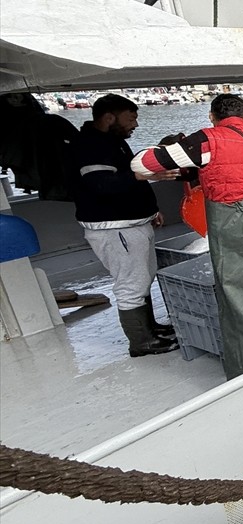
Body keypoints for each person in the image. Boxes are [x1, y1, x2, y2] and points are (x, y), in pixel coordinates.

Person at [132, 94, 243, 379]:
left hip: (240, 222)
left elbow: (142, 164)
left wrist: (169, 162)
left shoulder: (207, 140)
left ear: (212, 117)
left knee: (241, 299)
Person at [68, 94, 178, 358]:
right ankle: (141, 342)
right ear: (109, 117)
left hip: (133, 222)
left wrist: (150, 210)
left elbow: (126, 178)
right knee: (131, 283)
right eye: (131, 118)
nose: (136, 124)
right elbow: (102, 185)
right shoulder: (90, 145)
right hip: (114, 228)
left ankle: (151, 329)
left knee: (143, 277)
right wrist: (144, 174)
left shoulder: (112, 141)